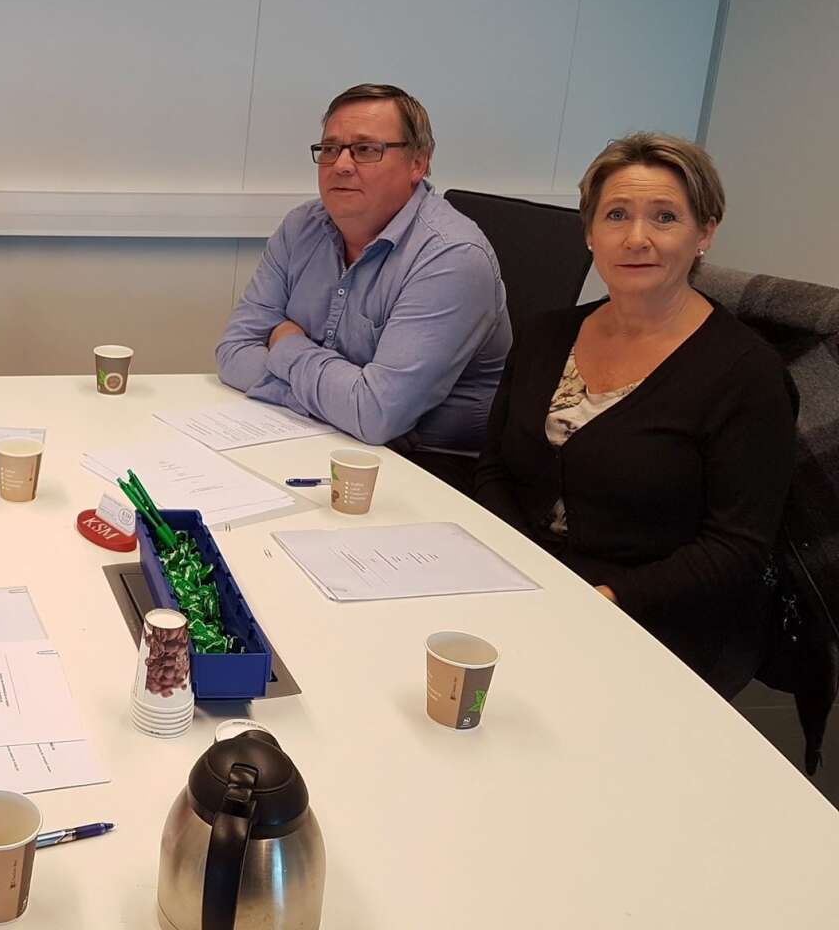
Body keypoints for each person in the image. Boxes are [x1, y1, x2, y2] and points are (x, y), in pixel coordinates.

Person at [474, 133, 795, 696]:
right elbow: (493, 467)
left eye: (665, 217)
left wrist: (603, 598)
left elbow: (736, 547)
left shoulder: (747, 373)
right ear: (590, 232)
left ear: (704, 233)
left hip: (656, 620)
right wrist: (521, 569)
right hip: (528, 587)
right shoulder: (547, 334)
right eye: (616, 215)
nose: (636, 238)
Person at [216, 83, 511, 490]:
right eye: (330, 149)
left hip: (430, 469)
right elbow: (232, 353)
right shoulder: (302, 226)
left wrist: (286, 344)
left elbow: (375, 415)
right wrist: (343, 402)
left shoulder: (452, 256)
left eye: (366, 149)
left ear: (418, 163)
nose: (340, 165)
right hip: (321, 437)